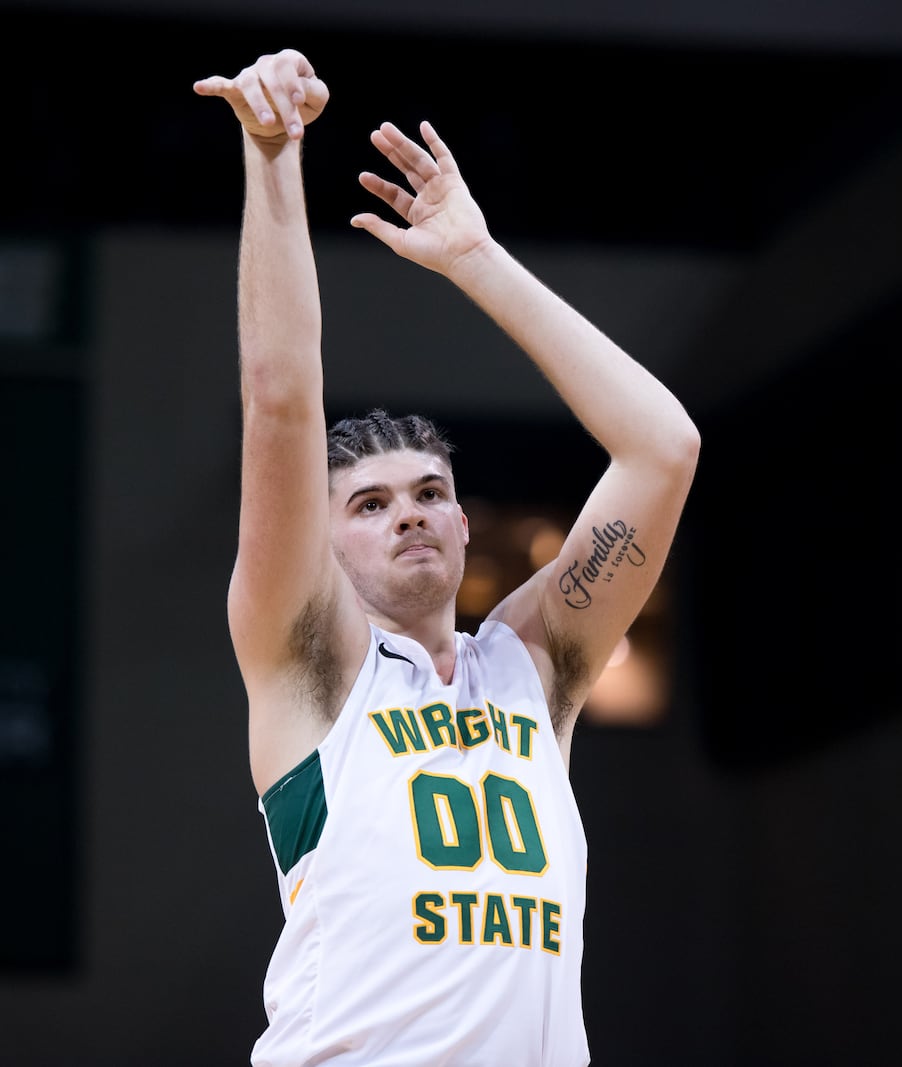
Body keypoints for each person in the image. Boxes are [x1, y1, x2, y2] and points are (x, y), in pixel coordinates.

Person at [193, 48, 700, 1067]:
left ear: (467, 526)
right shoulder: (314, 665)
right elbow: (283, 396)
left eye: (431, 494)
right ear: (320, 545)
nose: (410, 514)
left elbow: (662, 446)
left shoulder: (530, 665)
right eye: (371, 503)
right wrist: (273, 155)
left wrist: (476, 258)